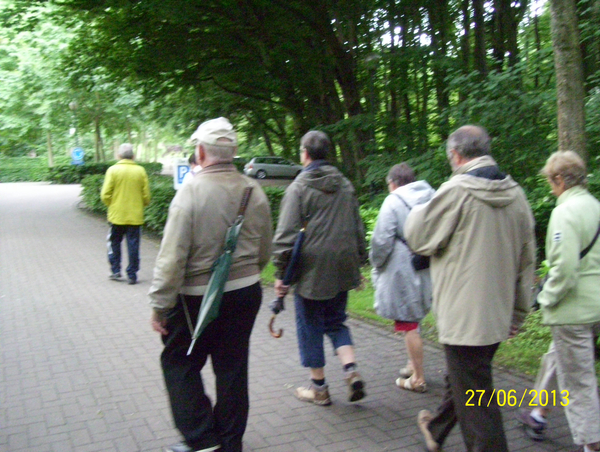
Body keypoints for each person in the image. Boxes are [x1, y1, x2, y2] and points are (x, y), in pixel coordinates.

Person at [404, 125, 536, 452]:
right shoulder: (517, 195)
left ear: (456, 154)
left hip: (463, 319)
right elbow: (526, 261)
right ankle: (436, 430)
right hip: (497, 315)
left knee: (477, 402)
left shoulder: (456, 191)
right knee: (466, 380)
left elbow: (418, 236)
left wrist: (419, 209)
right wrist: (519, 312)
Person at [148, 117, 272, 452]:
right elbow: (265, 250)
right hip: (246, 292)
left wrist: (161, 305)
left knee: (179, 362)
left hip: (196, 298)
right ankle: (231, 442)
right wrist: (245, 275)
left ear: (200, 152)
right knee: (232, 366)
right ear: (232, 152)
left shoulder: (190, 192)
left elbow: (171, 258)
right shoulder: (254, 190)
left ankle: (203, 440)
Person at [272, 130, 368, 406]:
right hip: (342, 265)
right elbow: (357, 226)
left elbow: (285, 235)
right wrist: (359, 260)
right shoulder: (346, 185)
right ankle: (351, 371)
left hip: (311, 269)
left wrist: (281, 273)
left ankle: (320, 388)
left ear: (304, 154)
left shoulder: (299, 187)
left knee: (310, 326)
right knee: (336, 321)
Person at [523, 151, 600, 452]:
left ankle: (592, 443)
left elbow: (565, 269)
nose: (550, 187)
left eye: (550, 181)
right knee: (558, 358)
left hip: (573, 311)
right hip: (596, 307)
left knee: (579, 383)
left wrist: (544, 297)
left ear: (559, 179)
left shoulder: (565, 212)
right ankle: (538, 413)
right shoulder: (595, 206)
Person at [369, 163, 434, 394]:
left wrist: (375, 262)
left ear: (393, 183)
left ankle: (418, 378)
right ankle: (411, 364)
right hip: (426, 264)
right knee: (417, 316)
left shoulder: (393, 201)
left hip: (403, 268)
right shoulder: (432, 196)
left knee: (408, 322)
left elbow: (381, 240)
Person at [101, 143, 151, 285]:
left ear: (119, 156)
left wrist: (112, 204)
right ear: (133, 156)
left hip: (116, 215)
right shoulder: (140, 171)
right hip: (135, 216)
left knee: (114, 243)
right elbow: (146, 196)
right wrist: (141, 205)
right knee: (133, 245)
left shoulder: (112, 170)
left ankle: (116, 270)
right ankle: (132, 274)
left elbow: (105, 194)